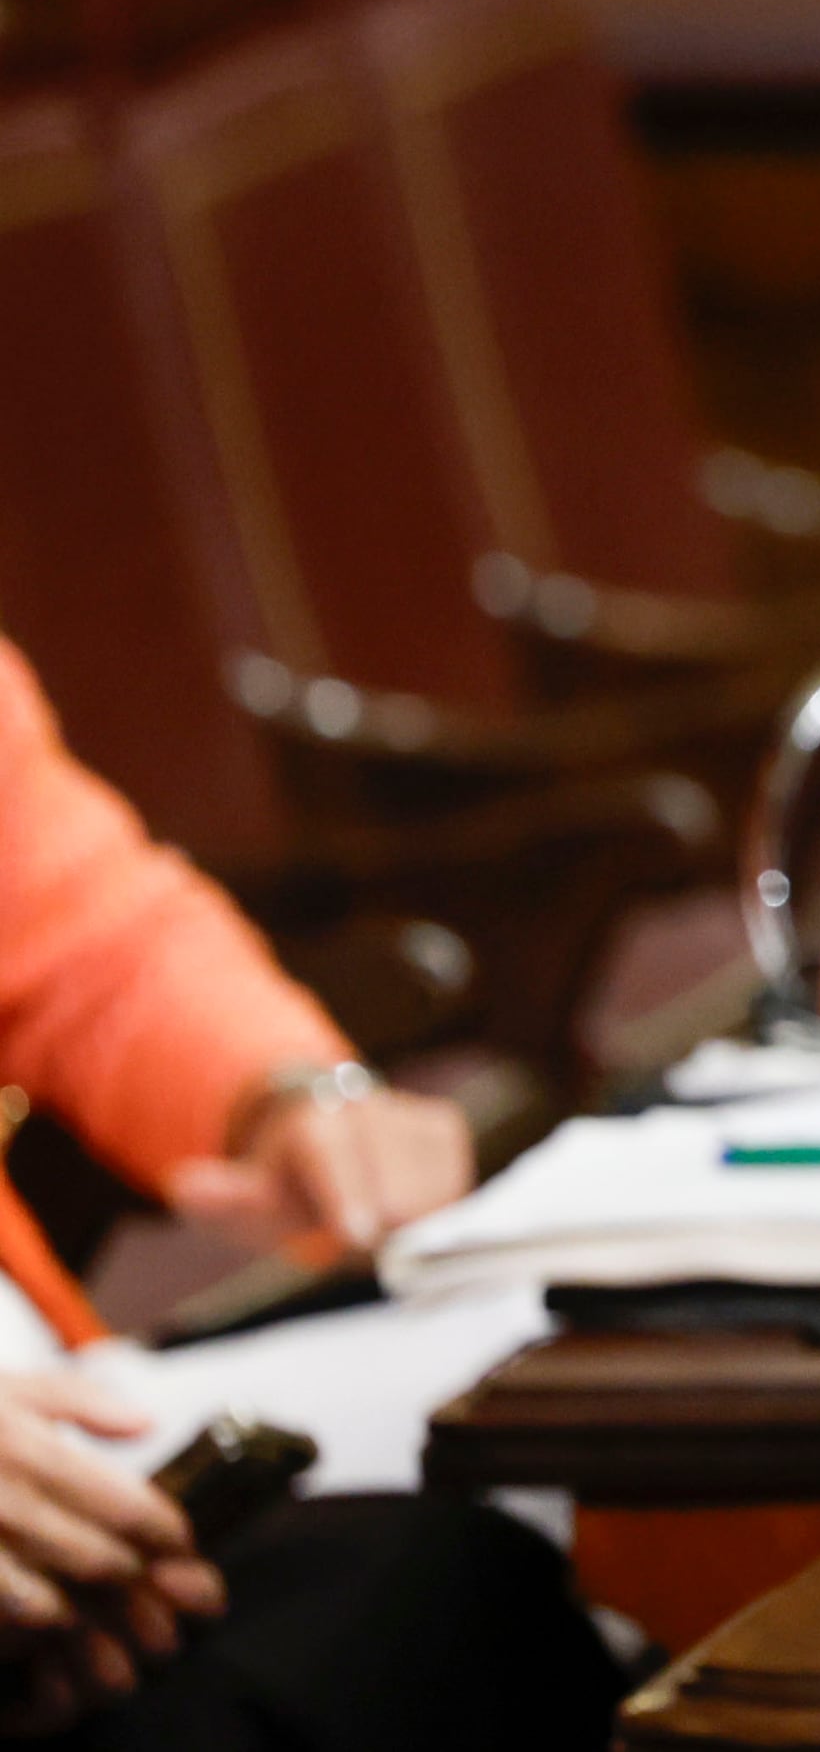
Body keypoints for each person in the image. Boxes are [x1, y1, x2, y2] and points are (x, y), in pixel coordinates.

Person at [0, 636, 621, 1744]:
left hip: (66, 1430)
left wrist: (287, 1095)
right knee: (416, 1600)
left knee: (558, 1403)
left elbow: (91, 933)